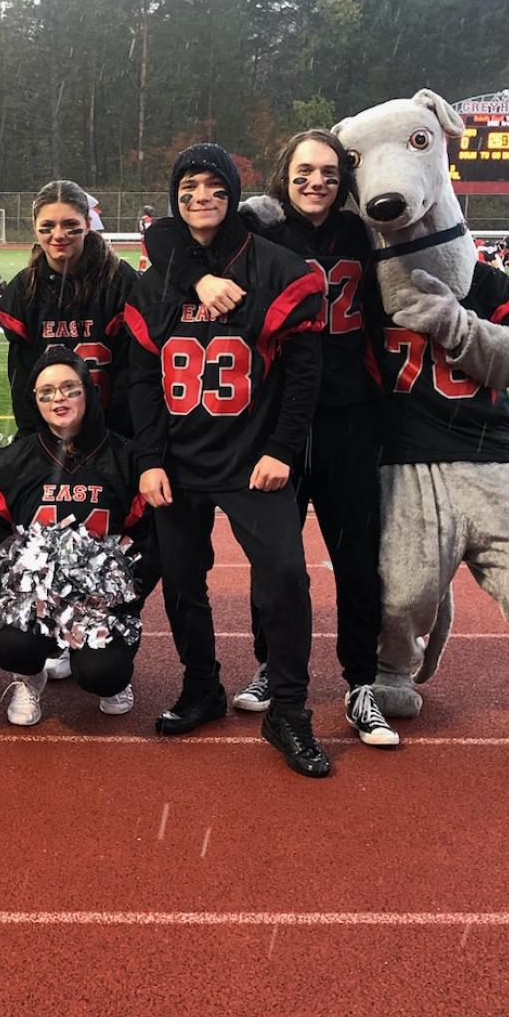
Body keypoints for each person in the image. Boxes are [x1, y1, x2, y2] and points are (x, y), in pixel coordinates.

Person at [174, 131, 398, 747]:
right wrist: (197, 281)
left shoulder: (361, 233)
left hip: (347, 416)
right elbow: (170, 238)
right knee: (274, 561)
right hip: (274, 420)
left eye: (328, 171)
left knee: (356, 557)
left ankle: (360, 683)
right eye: (304, 170)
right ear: (284, 174)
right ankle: (273, 665)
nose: (316, 182)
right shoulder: (258, 227)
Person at [127, 142, 333, 778]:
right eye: (188, 188)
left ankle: (290, 710)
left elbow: (304, 376)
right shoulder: (156, 274)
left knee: (285, 578)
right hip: (179, 463)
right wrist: (149, 458)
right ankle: (202, 686)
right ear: (173, 197)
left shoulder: (275, 267)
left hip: (252, 461)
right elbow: (140, 378)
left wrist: (280, 451)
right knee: (184, 583)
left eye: (214, 186)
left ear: (233, 192)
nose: (200, 198)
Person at [0, 347, 157, 726]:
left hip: (101, 605)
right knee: (10, 646)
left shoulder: (127, 459)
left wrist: (121, 596)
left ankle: (103, 666)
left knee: (103, 675)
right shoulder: (12, 463)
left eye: (70, 388)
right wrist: (21, 582)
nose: (58, 398)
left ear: (88, 392)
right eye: (46, 392)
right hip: (38, 602)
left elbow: (149, 542)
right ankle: (29, 677)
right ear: (34, 401)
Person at [0, 182, 137, 439]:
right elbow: (22, 381)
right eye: (48, 226)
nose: (58, 235)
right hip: (46, 434)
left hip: (112, 432)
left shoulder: (119, 281)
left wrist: (114, 442)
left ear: (87, 222)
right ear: (34, 227)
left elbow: (131, 375)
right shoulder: (24, 288)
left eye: (69, 224)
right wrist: (34, 439)